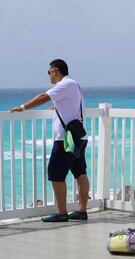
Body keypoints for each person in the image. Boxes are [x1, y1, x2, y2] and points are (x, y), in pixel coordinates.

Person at [10, 59, 90, 222]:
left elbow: (43, 96)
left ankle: (61, 213)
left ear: (56, 71)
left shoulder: (64, 85)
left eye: (49, 72)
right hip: (79, 136)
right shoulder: (74, 84)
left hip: (65, 140)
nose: (48, 75)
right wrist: (58, 107)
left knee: (55, 173)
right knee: (80, 173)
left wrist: (23, 107)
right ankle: (81, 211)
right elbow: (73, 105)